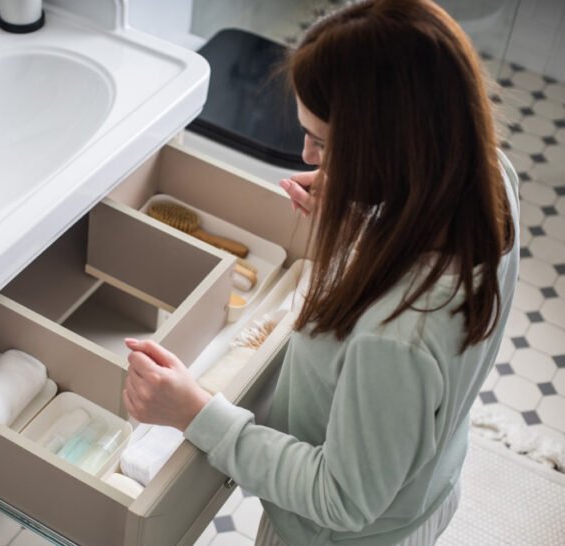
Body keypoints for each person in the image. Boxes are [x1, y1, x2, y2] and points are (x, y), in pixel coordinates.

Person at [121, 0, 520, 544]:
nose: (308, 155)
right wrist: (372, 209)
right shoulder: (490, 180)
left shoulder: (396, 335)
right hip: (423, 492)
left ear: (391, 147)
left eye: (327, 143)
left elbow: (341, 497)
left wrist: (196, 414)